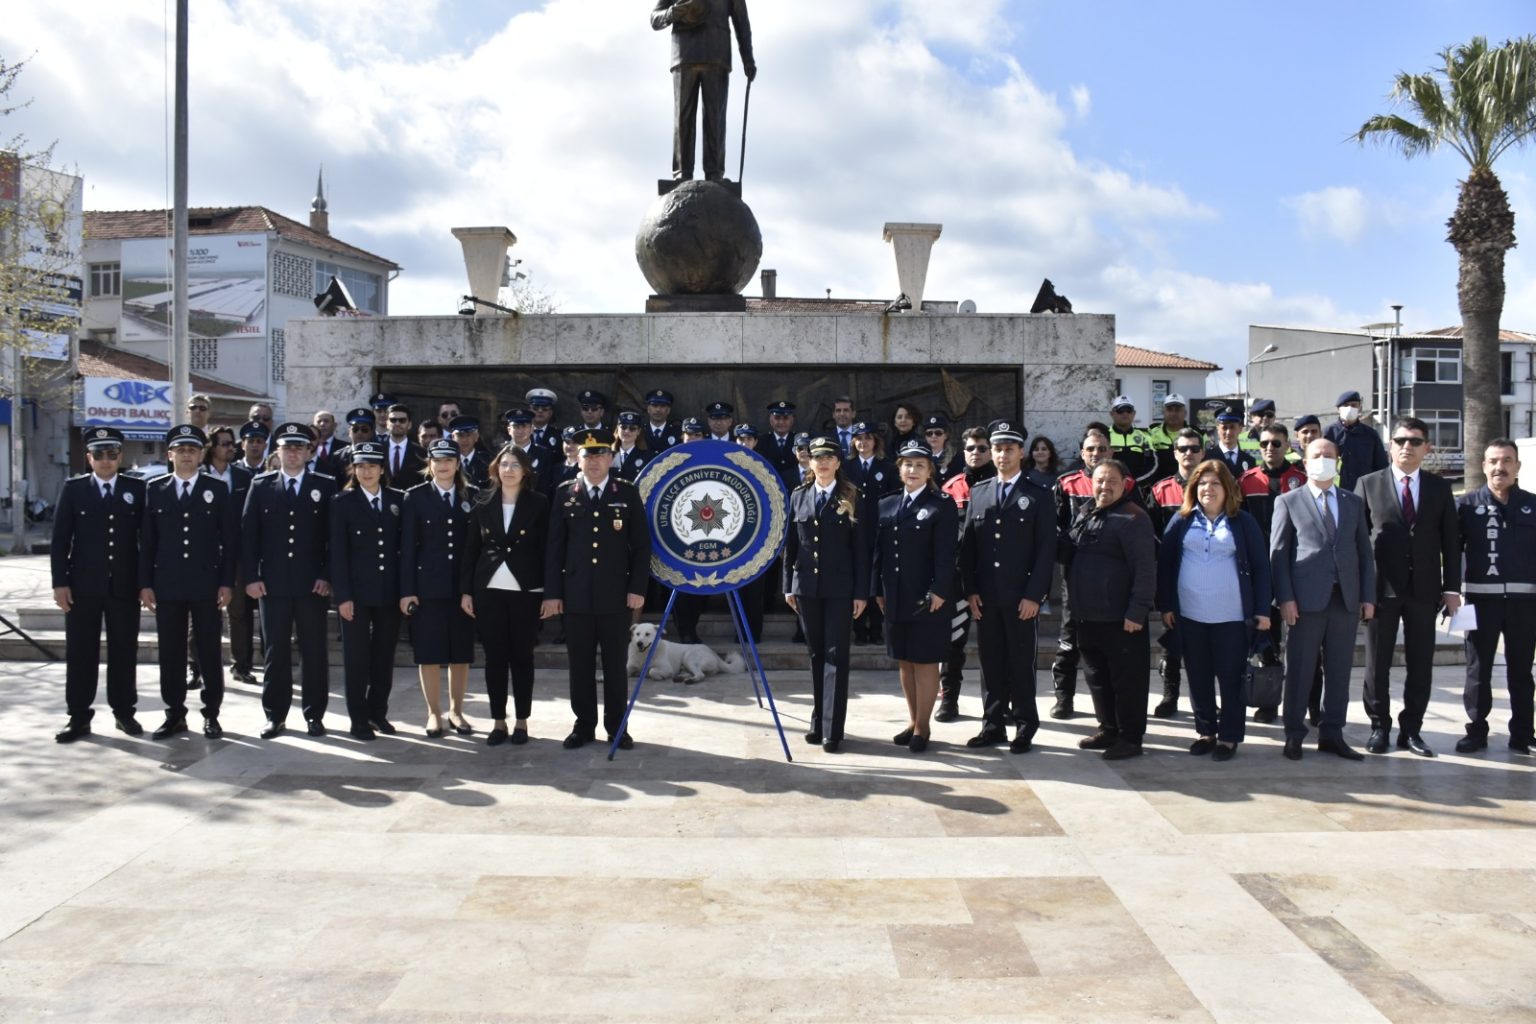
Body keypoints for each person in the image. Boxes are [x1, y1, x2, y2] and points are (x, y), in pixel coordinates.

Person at [1355, 416, 1461, 757]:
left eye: (1415, 441)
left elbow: (1451, 542)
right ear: (1390, 446)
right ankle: (1379, 727)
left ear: (1426, 448)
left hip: (1425, 591)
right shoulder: (1368, 484)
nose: (1407, 447)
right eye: (1400, 440)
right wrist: (1361, 591)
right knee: (1377, 664)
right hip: (1380, 591)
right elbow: (1357, 543)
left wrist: (1452, 589)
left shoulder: (1439, 488)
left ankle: (1411, 730)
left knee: (1420, 663)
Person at [543, 429, 651, 749]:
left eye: (601, 455)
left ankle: (617, 727)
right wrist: (553, 593)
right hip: (575, 595)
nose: (594, 462)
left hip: (615, 595)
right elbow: (554, 548)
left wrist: (637, 588)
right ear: (578, 459)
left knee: (615, 666)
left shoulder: (626, 492)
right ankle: (584, 725)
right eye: (588, 456)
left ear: (611, 458)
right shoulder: (565, 493)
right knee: (580, 665)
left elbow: (641, 546)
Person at [1157, 460, 1272, 761]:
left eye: (1215, 483)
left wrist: (1262, 610)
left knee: (1231, 678)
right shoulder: (1182, 520)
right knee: (1198, 676)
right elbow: (1165, 564)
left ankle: (1229, 737)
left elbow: (1261, 567)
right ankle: (1206, 732)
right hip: (1190, 614)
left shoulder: (1243, 521)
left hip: (1231, 616)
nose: (1208, 489)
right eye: (1202, 483)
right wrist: (1166, 604)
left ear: (1228, 488)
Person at [1270, 437, 1376, 762]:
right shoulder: (1288, 501)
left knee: (1339, 670)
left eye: (1329, 455)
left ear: (1337, 461)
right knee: (1300, 670)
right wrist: (1285, 598)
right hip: (1304, 601)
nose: (1323, 459)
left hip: (1345, 599)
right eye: (1316, 455)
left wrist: (1367, 596)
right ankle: (1294, 733)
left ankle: (1332, 733)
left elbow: (1364, 551)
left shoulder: (1352, 502)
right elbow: (1278, 555)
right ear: (1305, 462)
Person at [961, 423, 1057, 753]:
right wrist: (971, 589)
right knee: (990, 663)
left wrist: (1035, 595)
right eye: (998, 449)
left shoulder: (1039, 492)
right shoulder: (980, 491)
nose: (1003, 455)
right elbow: (969, 546)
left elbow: (1046, 550)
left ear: (1021, 453)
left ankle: (1025, 725)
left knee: (1020, 664)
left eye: (1009, 449)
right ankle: (993, 725)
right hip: (986, 596)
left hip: (1021, 597)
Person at [139, 425, 236, 740]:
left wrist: (226, 582)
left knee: (209, 651)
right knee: (171, 652)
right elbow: (147, 542)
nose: (186, 455)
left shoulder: (216, 488)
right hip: (167, 584)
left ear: (200, 455)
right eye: (180, 450)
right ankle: (174, 714)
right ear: (170, 455)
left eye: (192, 450)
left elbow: (229, 541)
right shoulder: (155, 489)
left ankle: (212, 714)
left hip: (206, 584)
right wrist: (145, 583)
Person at [51, 427, 148, 743]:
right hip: (83, 587)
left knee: (124, 651)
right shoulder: (74, 489)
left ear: (120, 456)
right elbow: (60, 540)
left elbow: (146, 541)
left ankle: (124, 712)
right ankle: (79, 716)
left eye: (112, 454)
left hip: (124, 586)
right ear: (89, 457)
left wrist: (145, 582)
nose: (106, 460)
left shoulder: (136, 489)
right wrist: (60, 583)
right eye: (99, 454)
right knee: (81, 652)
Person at [242, 422, 336, 739]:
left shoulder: (325, 485)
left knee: (314, 651)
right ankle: (275, 715)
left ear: (309, 452)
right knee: (275, 652)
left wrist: (326, 575)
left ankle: (314, 715)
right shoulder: (261, 485)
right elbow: (249, 536)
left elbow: (334, 538)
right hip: (273, 584)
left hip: (312, 585)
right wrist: (251, 577)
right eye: (287, 447)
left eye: (299, 447)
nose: (293, 453)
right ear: (278, 451)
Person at [1063, 460, 1157, 760]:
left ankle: (1131, 737)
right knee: (1097, 677)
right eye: (1099, 480)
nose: (1105, 486)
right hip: (1087, 615)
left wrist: (1137, 611)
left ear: (1125, 484)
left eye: (1112, 481)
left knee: (1127, 681)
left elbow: (1145, 569)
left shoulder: (1133, 517)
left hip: (1121, 618)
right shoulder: (1085, 513)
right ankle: (1108, 728)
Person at [870, 441, 957, 754]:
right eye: (907, 464)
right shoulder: (887, 503)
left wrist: (940, 590)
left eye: (920, 465)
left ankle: (923, 726)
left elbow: (947, 553)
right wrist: (877, 590)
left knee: (925, 661)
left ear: (930, 470)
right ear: (899, 468)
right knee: (905, 660)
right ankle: (912, 721)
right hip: (895, 595)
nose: (913, 470)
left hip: (928, 598)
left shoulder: (941, 504)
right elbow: (878, 552)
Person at [783, 437, 869, 752]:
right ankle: (818, 721)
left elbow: (861, 550)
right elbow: (791, 546)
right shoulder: (799, 496)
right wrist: (788, 585)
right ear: (810, 462)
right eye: (817, 457)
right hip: (807, 587)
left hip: (840, 589)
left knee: (836, 656)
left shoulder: (852, 496)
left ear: (838, 462)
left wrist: (861, 592)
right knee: (816, 655)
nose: (823, 463)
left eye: (829, 457)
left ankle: (833, 729)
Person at [463, 444, 549, 747]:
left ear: (525, 470)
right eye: (503, 464)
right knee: (495, 658)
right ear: (495, 470)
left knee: (523, 657)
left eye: (514, 464)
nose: (508, 470)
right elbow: (471, 550)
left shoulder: (539, 503)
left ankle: (522, 720)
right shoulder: (482, 501)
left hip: (527, 589)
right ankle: (498, 721)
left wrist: (550, 592)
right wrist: (466, 591)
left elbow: (547, 550)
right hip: (489, 589)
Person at [1456, 439, 1536, 756]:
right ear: (1483, 466)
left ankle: (1523, 734)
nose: (1499, 467)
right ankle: (1476, 731)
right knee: (1478, 670)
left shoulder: (1533, 504)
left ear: (1517, 466)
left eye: (1506, 460)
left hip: (1525, 604)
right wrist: (1451, 593)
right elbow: (1451, 551)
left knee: (1521, 671)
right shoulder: (1465, 506)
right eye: (1493, 461)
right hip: (1478, 603)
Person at [400, 438, 478, 738]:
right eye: (438, 460)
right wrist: (407, 590)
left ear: (458, 464)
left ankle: (457, 711)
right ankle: (434, 712)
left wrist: (472, 588)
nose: (443, 465)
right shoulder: (415, 497)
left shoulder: (473, 495)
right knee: (429, 652)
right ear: (429, 464)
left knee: (461, 652)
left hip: (462, 588)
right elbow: (407, 548)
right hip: (427, 587)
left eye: (449, 460)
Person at [328, 441, 405, 741]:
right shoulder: (342, 502)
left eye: (372, 466)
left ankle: (378, 712)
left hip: (389, 593)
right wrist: (343, 597)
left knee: (384, 657)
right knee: (356, 659)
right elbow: (337, 554)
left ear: (382, 469)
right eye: (361, 466)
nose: (367, 472)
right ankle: (358, 718)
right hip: (356, 595)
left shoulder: (398, 500)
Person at [1236, 423, 1309, 723]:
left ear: (1287, 445)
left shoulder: (1301, 479)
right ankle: (1268, 701)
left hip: (1294, 567)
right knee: (1266, 636)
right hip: (1259, 570)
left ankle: (1310, 704)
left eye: (1276, 443)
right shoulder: (1247, 480)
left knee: (1304, 641)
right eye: (1264, 443)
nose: (1269, 448)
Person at [651, 0, 756, 183]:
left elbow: (741, 21)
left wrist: (748, 58)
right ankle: (682, 173)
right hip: (684, 55)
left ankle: (714, 173)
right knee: (683, 117)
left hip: (716, 54)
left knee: (715, 118)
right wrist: (672, 13)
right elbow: (655, 18)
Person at [1049, 430, 1112, 719]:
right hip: (1075, 570)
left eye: (1102, 448)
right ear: (1082, 452)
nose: (1096, 453)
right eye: (1091, 449)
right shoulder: (1066, 483)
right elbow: (1055, 525)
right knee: (1069, 634)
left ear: (1110, 451)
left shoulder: (1123, 481)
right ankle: (1064, 697)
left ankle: (1109, 702)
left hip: (1111, 572)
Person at [1147, 427, 1208, 718]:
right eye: (1183, 448)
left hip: (1209, 577)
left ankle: (1205, 699)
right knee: (1171, 641)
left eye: (1194, 448)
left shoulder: (1216, 486)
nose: (1188, 453)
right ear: (1174, 453)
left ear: (1203, 452)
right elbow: (1150, 532)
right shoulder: (1160, 490)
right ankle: (1170, 696)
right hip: (1173, 575)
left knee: (1206, 643)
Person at [938, 426, 996, 719]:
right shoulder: (951, 488)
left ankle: (998, 705)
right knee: (952, 643)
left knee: (995, 647)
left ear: (991, 452)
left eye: (982, 448)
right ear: (963, 452)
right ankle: (949, 699)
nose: (976, 453)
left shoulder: (1001, 484)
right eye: (971, 448)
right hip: (959, 581)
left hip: (994, 580)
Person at [1324, 389, 1388, 491]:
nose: (1350, 408)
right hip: (1335, 490)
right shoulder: (1328, 433)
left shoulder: (1371, 435)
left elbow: (1381, 466)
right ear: (1338, 409)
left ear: (1360, 408)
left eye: (1354, 405)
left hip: (1364, 491)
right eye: (1346, 405)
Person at [1147, 394, 1200, 481]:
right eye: (1169, 410)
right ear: (1163, 412)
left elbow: (1204, 460)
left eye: (1177, 410)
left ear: (1185, 413)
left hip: (1189, 483)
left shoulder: (1197, 434)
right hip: (1158, 485)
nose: (1173, 413)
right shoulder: (1151, 433)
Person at [1106, 396, 1157, 486]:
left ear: (1134, 413)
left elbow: (1152, 465)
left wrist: (1135, 483)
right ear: (1112, 413)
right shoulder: (1104, 435)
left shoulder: (1144, 437)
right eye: (1120, 410)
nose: (1125, 414)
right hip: (1110, 485)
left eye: (1128, 410)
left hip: (1137, 486)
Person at [383, 403, 427, 486]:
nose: (397, 423)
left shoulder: (421, 453)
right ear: (387, 424)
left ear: (409, 424)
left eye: (402, 420)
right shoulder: (378, 450)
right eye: (393, 420)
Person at [762, 400, 801, 492]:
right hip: (769, 489)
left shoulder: (799, 441)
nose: (781, 422)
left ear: (792, 420)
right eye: (777, 418)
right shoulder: (761, 442)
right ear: (771, 420)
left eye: (785, 418)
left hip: (795, 490)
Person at [1205, 411, 1257, 476]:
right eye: (1224, 428)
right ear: (1218, 429)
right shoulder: (1207, 458)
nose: (1228, 432)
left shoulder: (1250, 461)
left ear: (1240, 429)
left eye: (1232, 427)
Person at [449, 415, 491, 489]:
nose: (464, 440)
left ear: (476, 436)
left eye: (468, 435)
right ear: (453, 437)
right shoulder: (448, 461)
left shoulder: (488, 461)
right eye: (460, 435)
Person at [613, 411, 652, 482]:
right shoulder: (608, 455)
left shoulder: (647, 457)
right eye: (623, 427)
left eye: (632, 428)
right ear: (618, 428)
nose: (627, 431)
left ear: (638, 431)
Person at [527, 388, 561, 453]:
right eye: (535, 408)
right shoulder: (521, 433)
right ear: (529, 411)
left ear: (551, 413)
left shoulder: (559, 436)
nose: (540, 411)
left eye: (544, 409)